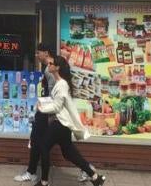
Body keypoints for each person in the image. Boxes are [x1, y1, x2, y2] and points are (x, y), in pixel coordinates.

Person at [36, 55, 106, 186]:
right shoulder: (60, 83)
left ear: (57, 67)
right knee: (69, 153)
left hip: (60, 123)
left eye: (51, 64)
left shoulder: (62, 84)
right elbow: (59, 103)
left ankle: (44, 182)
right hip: (63, 124)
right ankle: (96, 177)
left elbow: (57, 106)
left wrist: (42, 108)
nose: (48, 65)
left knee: (44, 147)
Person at [14, 43, 55, 183]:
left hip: (46, 112)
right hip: (44, 111)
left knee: (40, 142)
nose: (37, 56)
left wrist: (43, 108)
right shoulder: (48, 67)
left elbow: (52, 94)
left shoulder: (50, 69)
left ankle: (38, 176)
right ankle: (33, 172)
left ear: (46, 52)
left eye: (39, 53)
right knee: (37, 141)